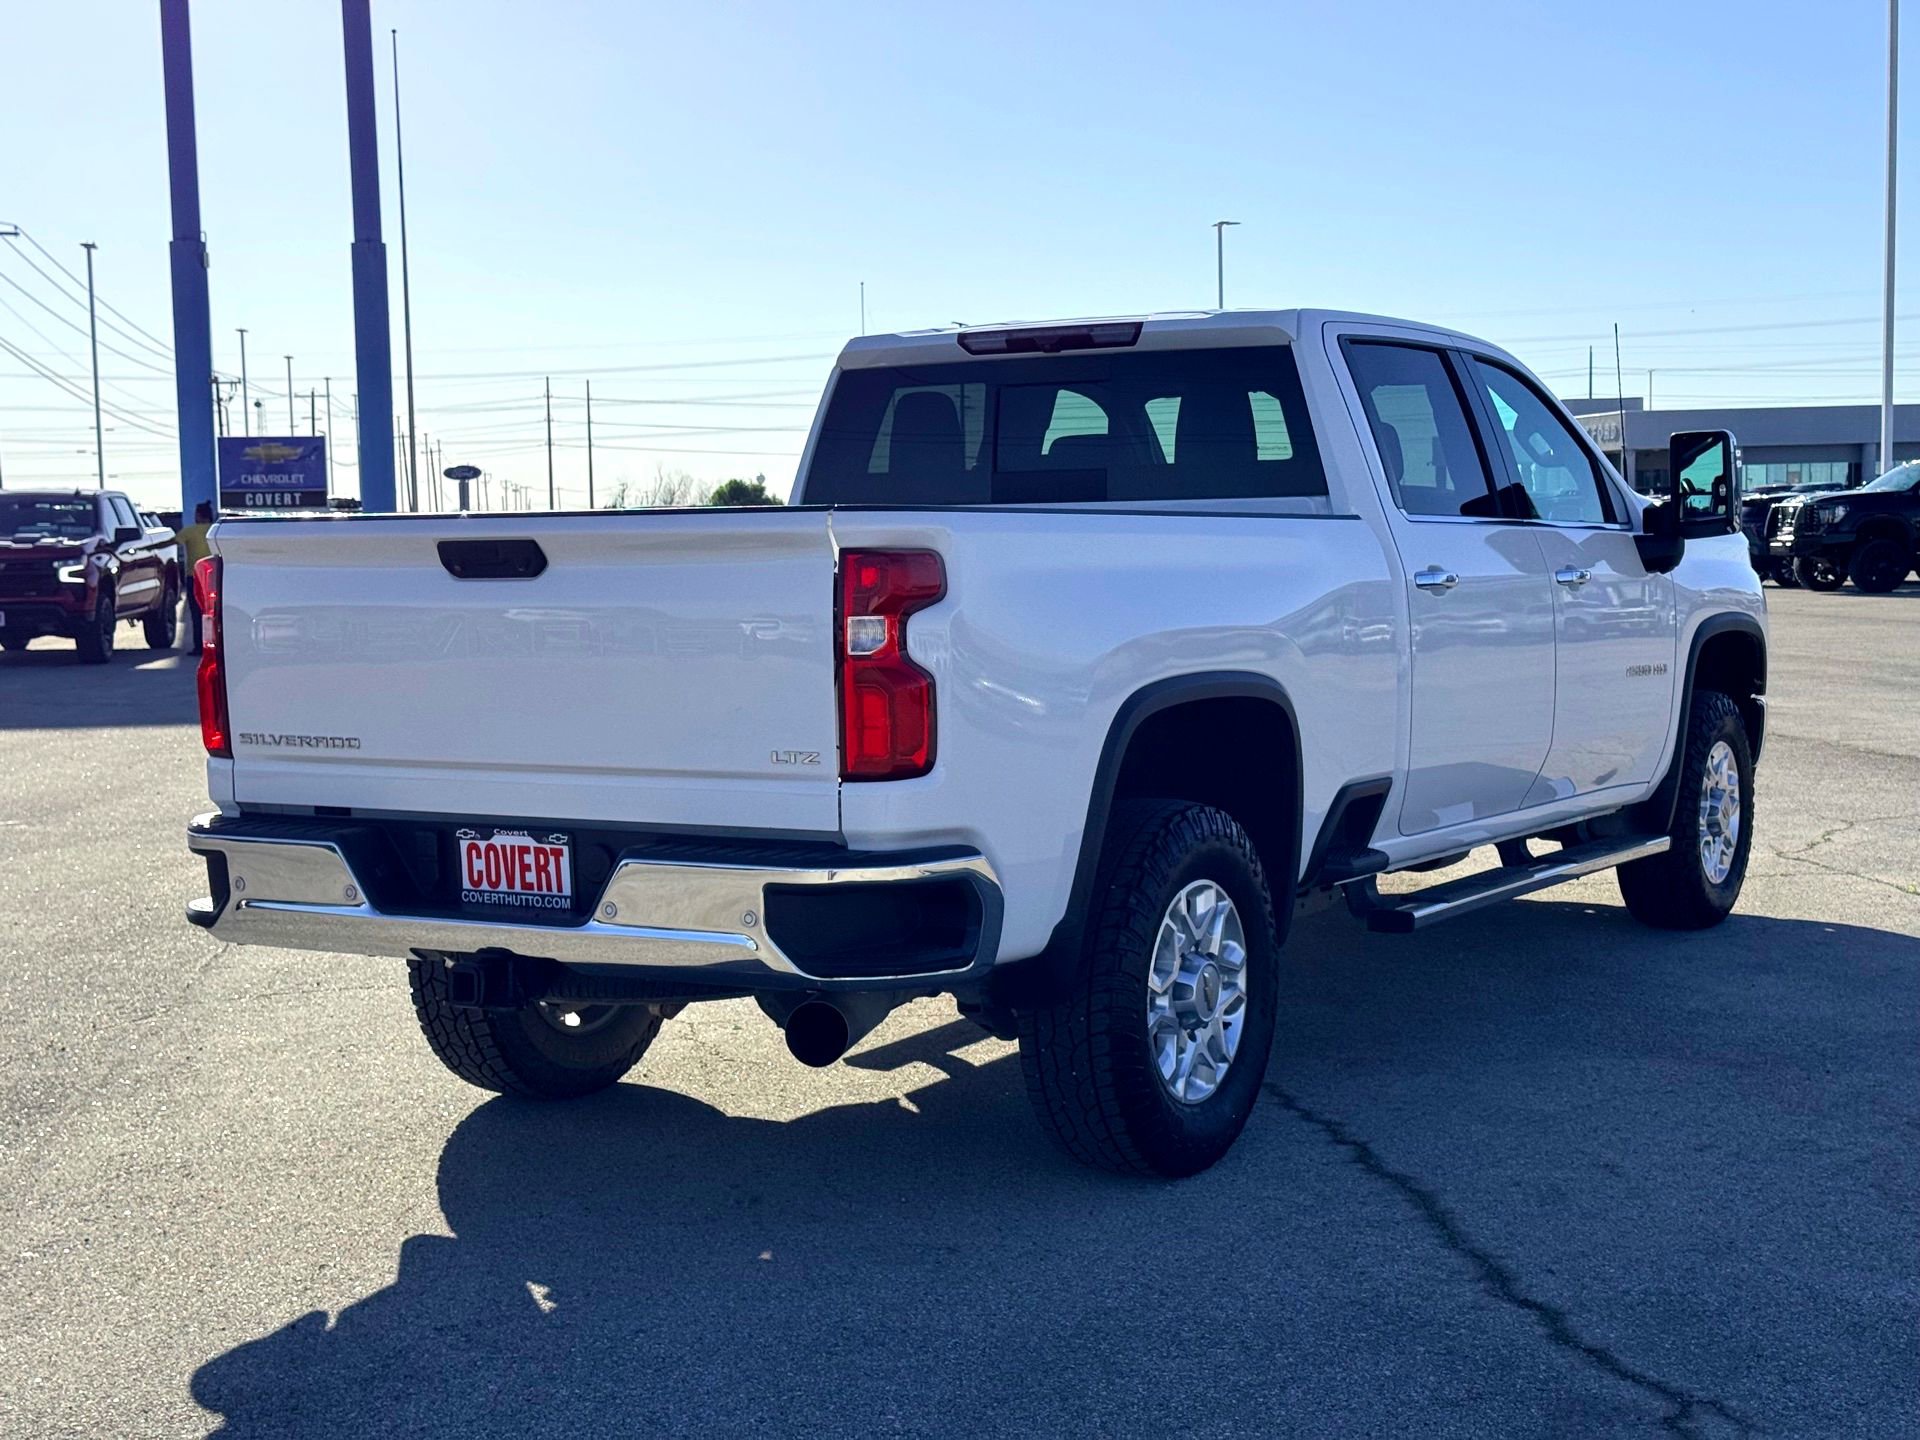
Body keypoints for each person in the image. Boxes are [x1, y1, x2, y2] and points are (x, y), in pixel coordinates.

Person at [175, 501, 214, 654]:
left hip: (195, 577)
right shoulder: (215, 530)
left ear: (198, 515)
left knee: (197, 613)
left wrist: (147, 548)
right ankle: (215, 645)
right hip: (214, 577)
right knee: (213, 613)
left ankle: (200, 646)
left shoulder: (190, 531)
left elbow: (172, 542)